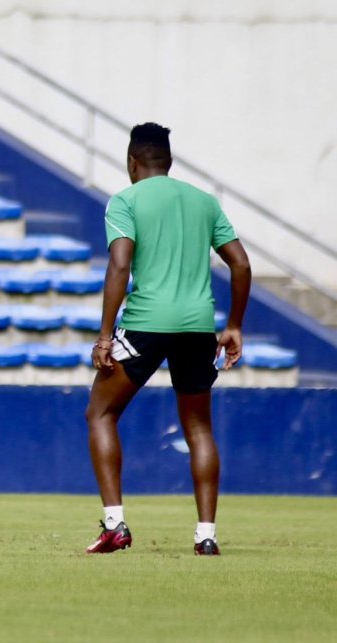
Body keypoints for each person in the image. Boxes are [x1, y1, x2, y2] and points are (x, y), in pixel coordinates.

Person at [85, 123, 251, 556]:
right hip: (198, 328)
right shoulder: (204, 201)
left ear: (132, 162)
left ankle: (115, 525)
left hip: (145, 323)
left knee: (101, 414)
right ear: (169, 162)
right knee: (198, 428)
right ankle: (207, 535)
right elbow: (241, 265)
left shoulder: (125, 201)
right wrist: (233, 324)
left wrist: (105, 335)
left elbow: (120, 266)